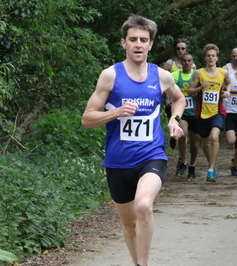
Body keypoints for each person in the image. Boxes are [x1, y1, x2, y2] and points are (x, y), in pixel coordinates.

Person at [81, 15, 185, 266]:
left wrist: (174, 119)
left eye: (144, 40)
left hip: (151, 156)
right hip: (118, 161)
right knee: (129, 226)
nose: (138, 44)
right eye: (133, 40)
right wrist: (115, 112)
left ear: (151, 45)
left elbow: (179, 99)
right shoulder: (110, 76)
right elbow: (87, 119)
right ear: (123, 43)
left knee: (143, 206)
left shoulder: (162, 76)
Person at [188, 43, 232, 182]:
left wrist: (228, 92)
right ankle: (211, 164)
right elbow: (189, 91)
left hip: (218, 112)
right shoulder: (199, 73)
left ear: (217, 58)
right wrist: (201, 87)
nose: (211, 58)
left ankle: (211, 170)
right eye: (208, 56)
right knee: (206, 144)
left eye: (213, 56)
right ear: (205, 58)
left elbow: (228, 83)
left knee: (214, 137)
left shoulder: (222, 72)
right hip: (202, 114)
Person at [163, 38, 196, 149]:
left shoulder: (193, 66)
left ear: (186, 50)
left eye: (183, 49)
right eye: (178, 49)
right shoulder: (169, 64)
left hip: (187, 100)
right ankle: (174, 136)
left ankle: (179, 139)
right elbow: (164, 82)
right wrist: (166, 99)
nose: (180, 51)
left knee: (184, 129)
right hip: (172, 99)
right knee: (173, 121)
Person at [172, 53, 199, 180]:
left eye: (189, 60)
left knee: (194, 143)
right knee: (183, 135)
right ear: (181, 62)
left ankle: (192, 165)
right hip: (183, 113)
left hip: (195, 112)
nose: (187, 63)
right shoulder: (176, 75)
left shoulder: (196, 75)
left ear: (192, 62)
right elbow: (169, 87)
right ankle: (183, 161)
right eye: (184, 61)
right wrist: (168, 99)